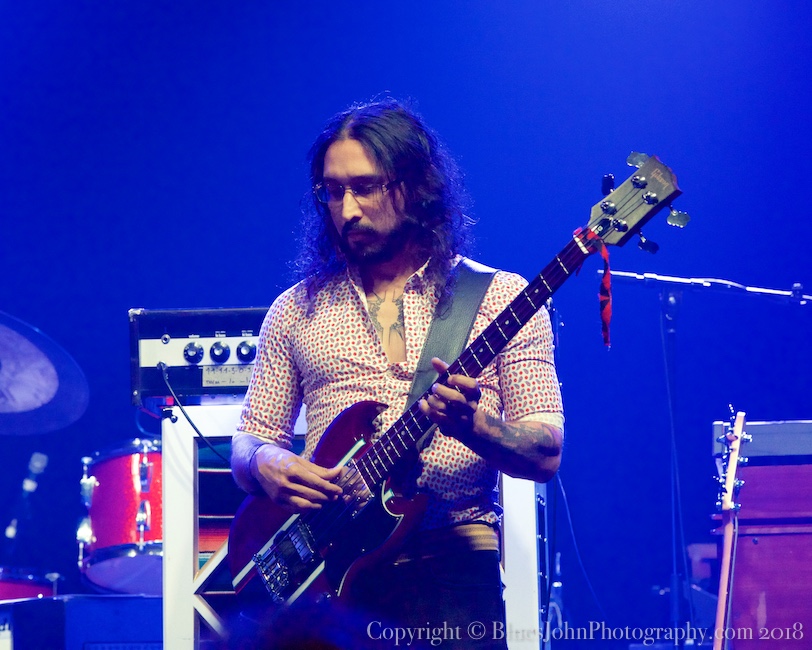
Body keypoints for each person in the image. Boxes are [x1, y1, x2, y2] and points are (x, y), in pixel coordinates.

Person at [230, 97, 564, 649]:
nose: (347, 210)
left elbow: (547, 451)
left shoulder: (500, 300)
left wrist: (474, 426)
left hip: (452, 570)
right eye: (332, 191)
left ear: (413, 186)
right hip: (332, 584)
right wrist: (266, 462)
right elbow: (250, 440)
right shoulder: (295, 309)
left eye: (365, 187)